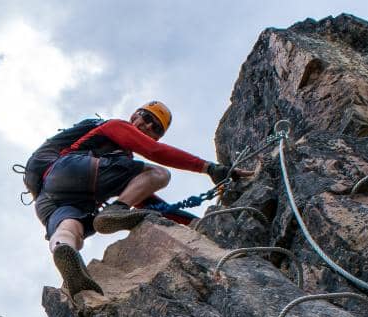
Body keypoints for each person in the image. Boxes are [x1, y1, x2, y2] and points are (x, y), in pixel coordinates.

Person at [25, 101, 248, 295]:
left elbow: (150, 204)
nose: (149, 126)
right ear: (135, 115)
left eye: (156, 129)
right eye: (148, 118)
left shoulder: (117, 167)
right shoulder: (114, 126)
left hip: (50, 197)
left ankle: (65, 251)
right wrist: (208, 168)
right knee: (159, 173)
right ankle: (116, 209)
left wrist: (193, 223)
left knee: (69, 230)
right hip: (73, 168)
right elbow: (155, 152)